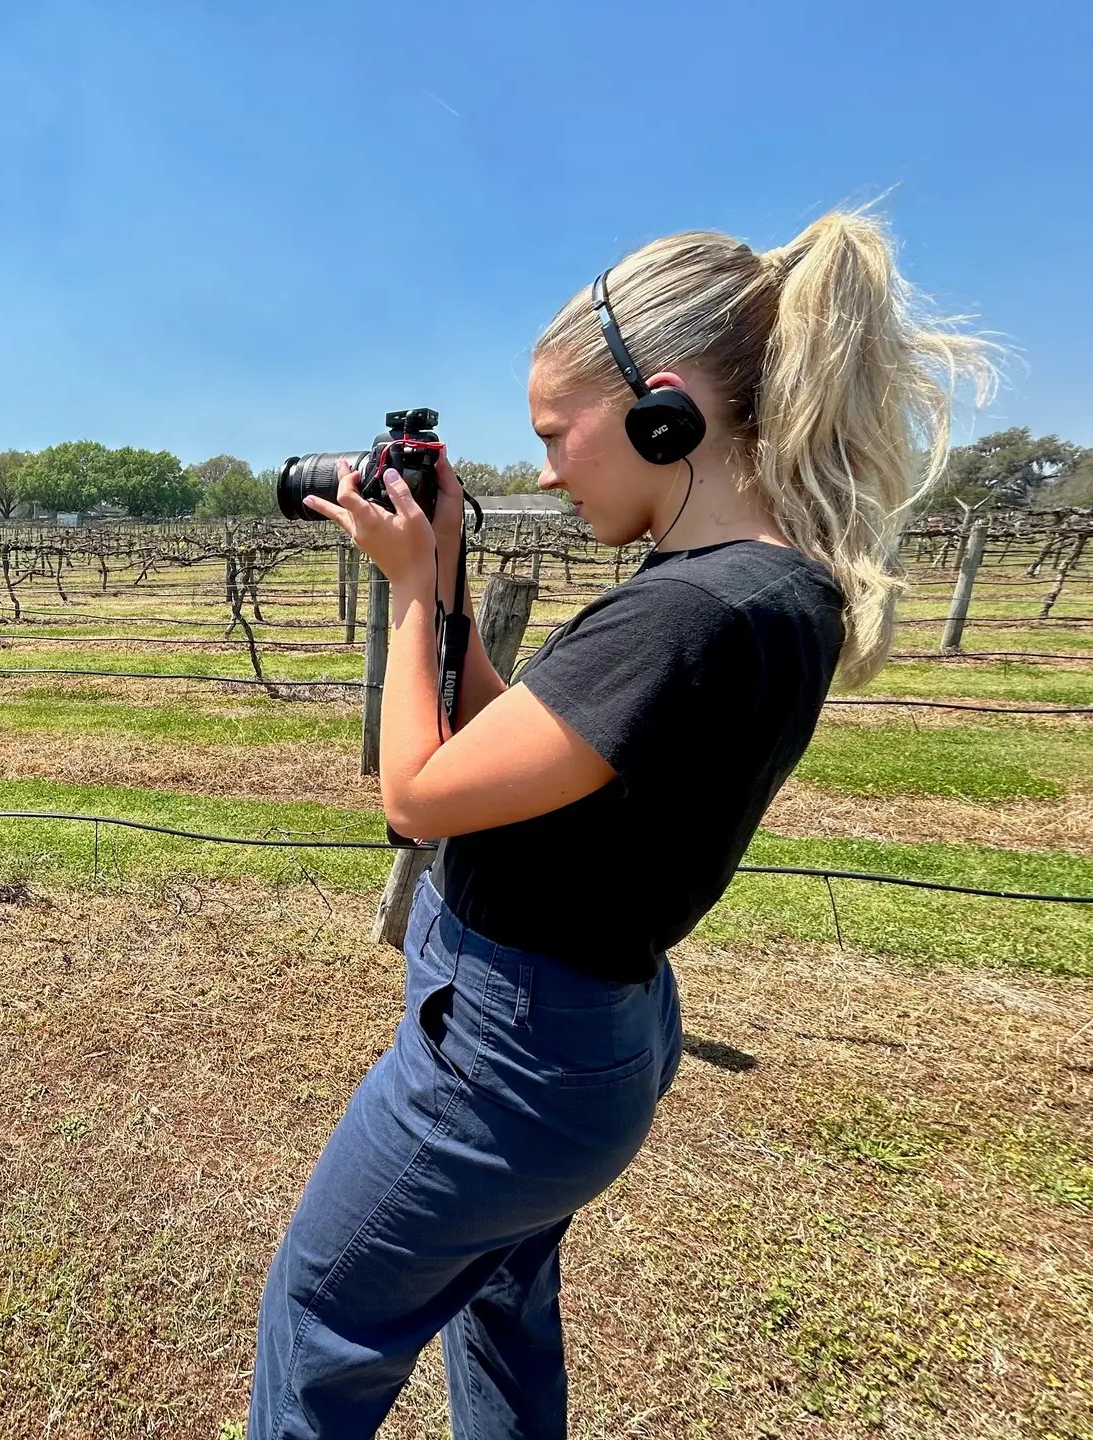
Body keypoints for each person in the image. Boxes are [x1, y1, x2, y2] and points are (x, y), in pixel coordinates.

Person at [249, 212, 994, 1438]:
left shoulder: (686, 616)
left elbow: (417, 797)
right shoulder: (770, 591)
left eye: (556, 431)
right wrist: (441, 588)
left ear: (666, 408)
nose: (542, 470)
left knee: (320, 1321)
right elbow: (509, 755)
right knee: (497, 1306)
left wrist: (404, 594)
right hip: (591, 1041)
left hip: (505, 1056)